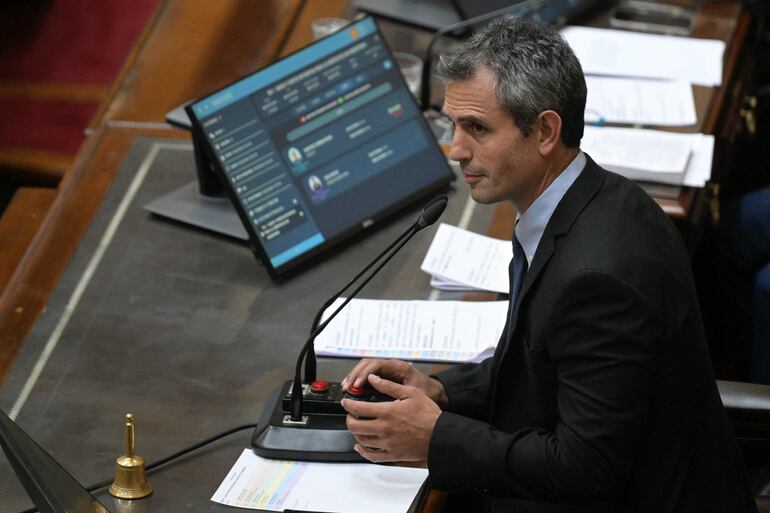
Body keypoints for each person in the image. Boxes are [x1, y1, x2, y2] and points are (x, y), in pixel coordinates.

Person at [340, 17, 756, 513]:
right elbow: (540, 365)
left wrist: (437, 436)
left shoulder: (598, 278)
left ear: (544, 130)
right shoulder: (588, 198)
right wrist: (441, 392)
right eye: (452, 124)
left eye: (477, 128)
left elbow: (585, 469)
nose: (456, 150)